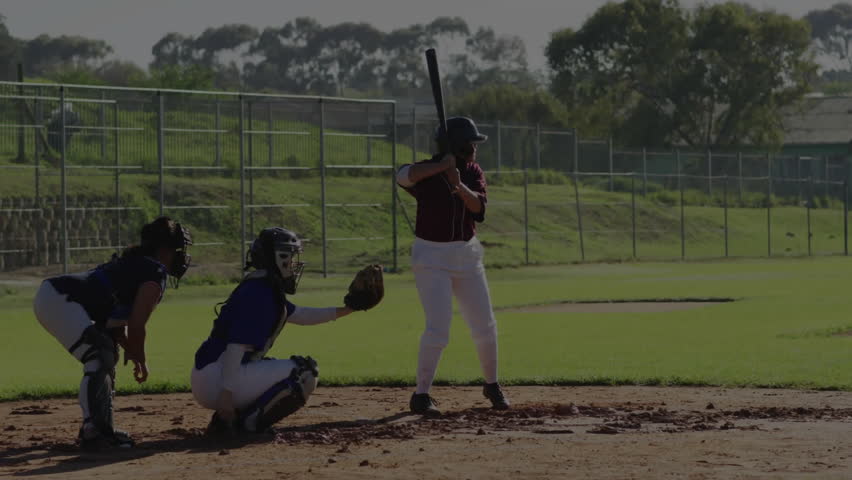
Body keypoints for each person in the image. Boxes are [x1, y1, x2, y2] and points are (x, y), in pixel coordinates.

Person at [32, 216, 193, 450]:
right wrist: (141, 358)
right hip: (60, 299)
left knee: (107, 352)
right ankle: (94, 431)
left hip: (55, 297)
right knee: (98, 354)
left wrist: (132, 351)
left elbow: (116, 325)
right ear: (164, 249)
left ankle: (100, 425)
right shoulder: (154, 270)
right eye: (178, 249)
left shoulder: (138, 264)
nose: (182, 255)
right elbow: (137, 325)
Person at [191, 227, 357, 434]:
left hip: (212, 374)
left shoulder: (262, 286)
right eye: (291, 256)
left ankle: (227, 422)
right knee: (304, 373)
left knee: (277, 368)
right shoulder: (259, 293)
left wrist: (349, 309)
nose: (294, 263)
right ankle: (246, 424)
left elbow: (303, 315)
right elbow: (236, 347)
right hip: (217, 379)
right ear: (278, 257)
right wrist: (226, 398)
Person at [396, 116, 510, 416]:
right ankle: (421, 395)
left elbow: (479, 208)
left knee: (485, 325)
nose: (475, 148)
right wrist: (441, 167)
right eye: (470, 143)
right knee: (438, 329)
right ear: (457, 146)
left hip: (468, 255)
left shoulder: (472, 172)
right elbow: (401, 176)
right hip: (432, 258)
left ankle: (492, 384)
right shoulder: (427, 172)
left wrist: (457, 184)